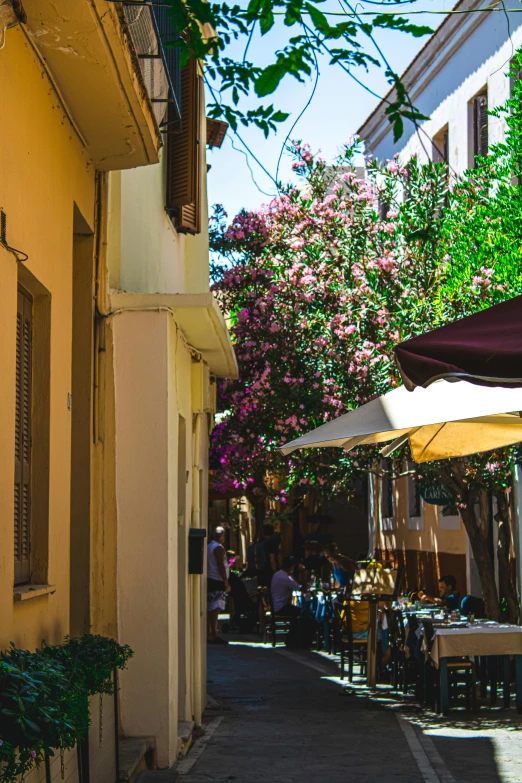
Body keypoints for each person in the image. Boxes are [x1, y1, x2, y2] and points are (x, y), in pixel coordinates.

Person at [207, 527, 231, 644]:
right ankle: (214, 634)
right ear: (221, 536)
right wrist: (225, 581)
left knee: (212, 608)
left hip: (212, 579)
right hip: (217, 580)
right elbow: (220, 565)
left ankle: (210, 633)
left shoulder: (210, 546)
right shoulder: (218, 548)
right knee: (215, 608)